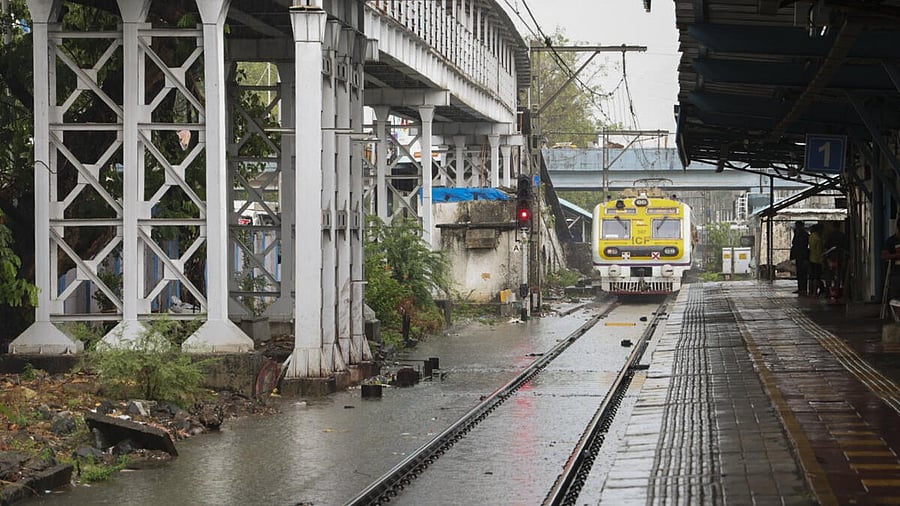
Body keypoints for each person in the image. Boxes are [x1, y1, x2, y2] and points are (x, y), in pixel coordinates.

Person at [881, 218, 900, 303]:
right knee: (895, 299)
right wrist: (896, 255)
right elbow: (884, 256)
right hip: (896, 273)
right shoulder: (891, 241)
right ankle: (896, 315)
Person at [790, 221, 809, 295]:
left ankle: (803, 288)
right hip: (798, 256)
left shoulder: (804, 235)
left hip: (803, 256)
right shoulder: (797, 234)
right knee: (799, 272)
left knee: (803, 273)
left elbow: (803, 245)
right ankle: (800, 288)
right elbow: (794, 243)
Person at [808, 223, 824, 296]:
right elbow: (819, 251)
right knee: (816, 277)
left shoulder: (811, 236)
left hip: (811, 258)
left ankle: (810, 291)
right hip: (817, 260)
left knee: (811, 277)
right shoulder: (818, 238)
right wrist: (822, 260)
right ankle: (815, 292)